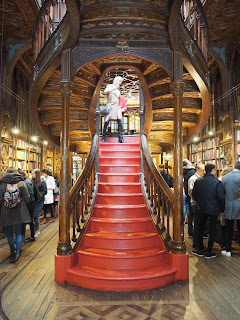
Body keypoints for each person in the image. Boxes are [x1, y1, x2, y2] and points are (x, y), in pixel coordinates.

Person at [192, 164, 225, 259]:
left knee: (200, 228)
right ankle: (209, 250)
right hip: (214, 209)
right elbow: (221, 197)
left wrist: (200, 202)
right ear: (213, 170)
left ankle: (200, 248)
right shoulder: (217, 183)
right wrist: (221, 209)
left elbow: (194, 194)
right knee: (212, 229)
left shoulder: (198, 181)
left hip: (201, 208)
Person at [0, 167, 31, 262]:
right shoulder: (21, 183)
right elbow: (27, 198)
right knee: (18, 232)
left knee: (9, 232)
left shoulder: (2, 184)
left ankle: (12, 251)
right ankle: (18, 251)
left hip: (7, 211)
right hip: (19, 210)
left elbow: (0, 199)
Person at [221, 162, 240, 257]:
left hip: (228, 205)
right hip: (239, 206)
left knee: (228, 228)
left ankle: (228, 250)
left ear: (234, 167)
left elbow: (221, 193)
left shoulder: (225, 178)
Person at [102, 76, 125, 143]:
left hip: (117, 106)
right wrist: (114, 88)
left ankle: (121, 138)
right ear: (116, 80)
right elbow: (105, 91)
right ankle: (103, 137)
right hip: (111, 106)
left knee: (119, 121)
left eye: (121, 81)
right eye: (120, 81)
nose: (120, 83)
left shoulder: (118, 89)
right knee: (107, 121)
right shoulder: (110, 86)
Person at [188, 163, 205, 249]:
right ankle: (196, 243)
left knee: (199, 224)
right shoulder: (193, 179)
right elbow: (191, 192)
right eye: (203, 170)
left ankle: (198, 242)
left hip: (200, 203)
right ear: (198, 170)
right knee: (197, 224)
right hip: (195, 204)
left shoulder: (200, 179)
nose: (204, 172)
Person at [18, 169, 36, 243]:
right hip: (29, 203)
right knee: (29, 220)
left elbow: (30, 194)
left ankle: (32, 236)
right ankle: (26, 236)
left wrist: (26, 201)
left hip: (29, 204)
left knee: (29, 220)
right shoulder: (26, 182)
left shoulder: (26, 183)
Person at [31, 169, 47, 238]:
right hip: (33, 201)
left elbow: (45, 191)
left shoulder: (42, 182)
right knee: (33, 216)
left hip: (39, 201)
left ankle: (36, 230)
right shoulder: (31, 182)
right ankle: (34, 230)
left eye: (33, 174)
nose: (32, 175)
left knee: (35, 215)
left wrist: (38, 194)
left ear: (36, 174)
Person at [183, 159, 196, 237]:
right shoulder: (192, 172)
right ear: (187, 164)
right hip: (192, 195)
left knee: (189, 211)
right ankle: (193, 231)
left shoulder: (184, 172)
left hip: (187, 193)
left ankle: (190, 229)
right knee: (193, 213)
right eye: (189, 162)